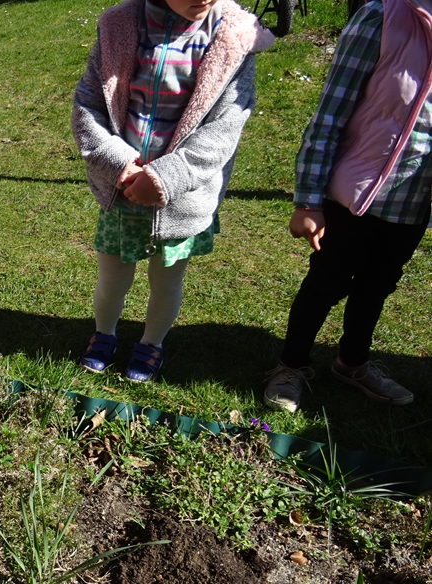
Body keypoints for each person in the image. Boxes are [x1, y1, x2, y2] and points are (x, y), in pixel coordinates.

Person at [72, 0, 273, 381]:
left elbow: (224, 128)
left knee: (166, 282)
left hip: (181, 200)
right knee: (112, 278)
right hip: (121, 192)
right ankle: (104, 334)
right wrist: (118, 165)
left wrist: (166, 178)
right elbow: (89, 103)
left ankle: (151, 343)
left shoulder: (235, 37)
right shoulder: (118, 27)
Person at [263, 0, 430, 413]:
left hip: (413, 200)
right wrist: (308, 199)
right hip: (354, 195)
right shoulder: (383, 16)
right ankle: (291, 365)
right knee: (327, 280)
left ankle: (352, 363)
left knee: (379, 284)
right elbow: (329, 115)